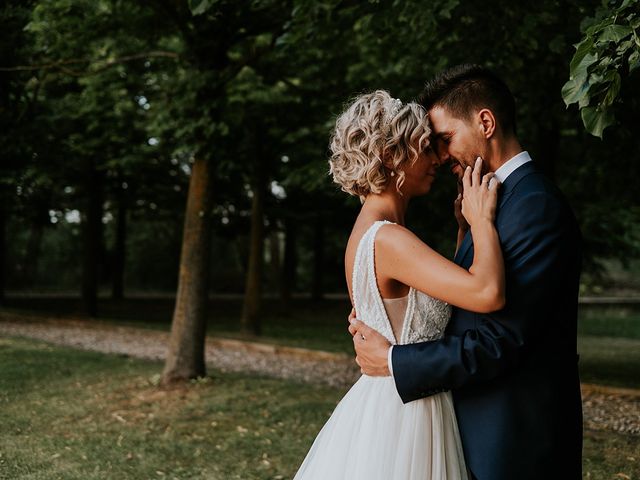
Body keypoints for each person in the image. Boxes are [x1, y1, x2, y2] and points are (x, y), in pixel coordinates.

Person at [349, 65, 583, 480]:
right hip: (466, 427)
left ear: (486, 123)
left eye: (444, 140)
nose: (439, 156)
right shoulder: (487, 202)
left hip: (514, 439)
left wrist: (394, 359)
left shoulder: (534, 205)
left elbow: (500, 340)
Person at [293, 89, 504, 480]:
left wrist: (462, 230)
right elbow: (487, 294)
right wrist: (482, 222)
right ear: (392, 157)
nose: (438, 159)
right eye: (425, 147)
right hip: (410, 411)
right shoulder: (389, 239)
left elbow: (433, 303)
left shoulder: (366, 233)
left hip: (391, 399)